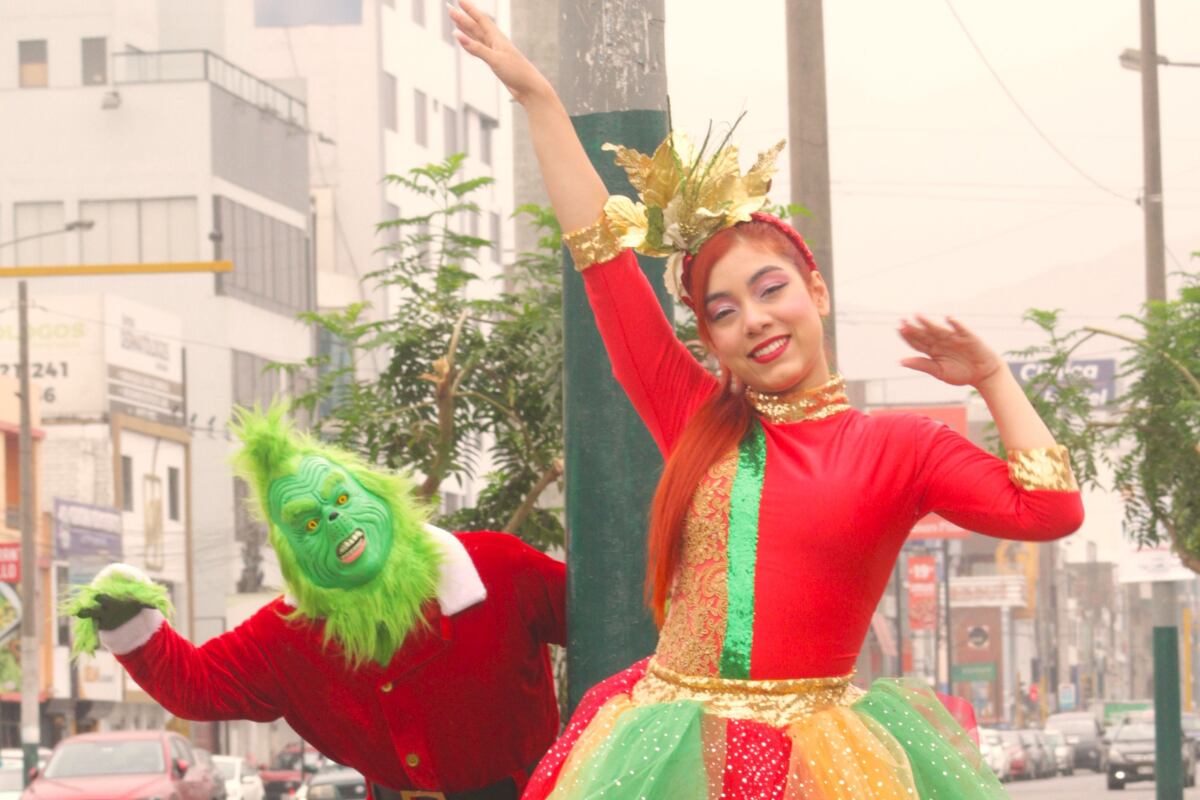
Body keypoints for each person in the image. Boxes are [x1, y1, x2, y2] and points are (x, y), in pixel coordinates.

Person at [449, 3, 1084, 798]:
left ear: (814, 289)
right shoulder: (690, 415)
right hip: (668, 752)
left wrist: (993, 375)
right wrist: (538, 97)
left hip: (820, 766)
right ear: (709, 341)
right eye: (722, 311)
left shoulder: (902, 447)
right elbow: (603, 261)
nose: (754, 319)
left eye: (769, 288)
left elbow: (1050, 512)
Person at [67, 405, 565, 800]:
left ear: (380, 494)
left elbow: (627, 619)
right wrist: (134, 625)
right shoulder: (290, 631)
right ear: (290, 553)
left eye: (342, 501)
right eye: (307, 522)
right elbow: (199, 684)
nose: (332, 521)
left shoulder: (495, 568)